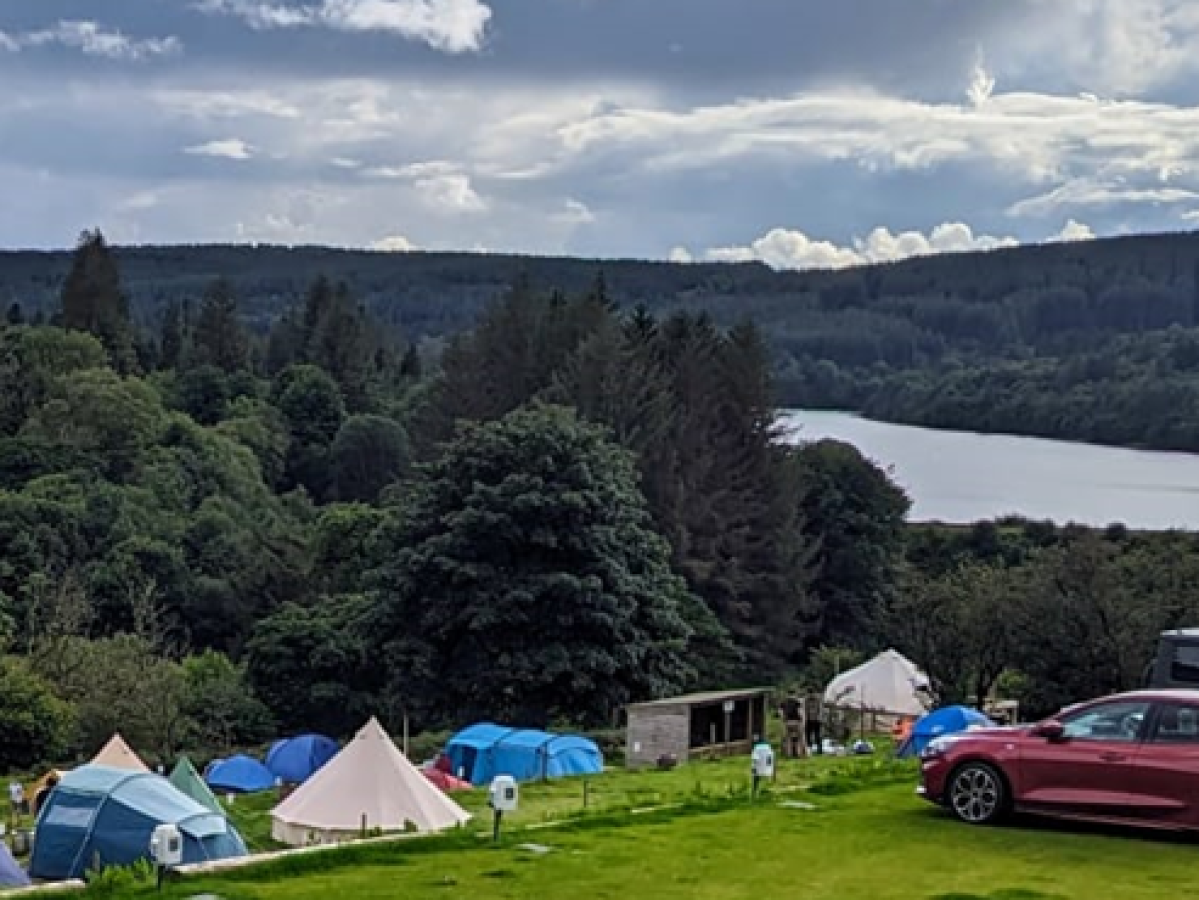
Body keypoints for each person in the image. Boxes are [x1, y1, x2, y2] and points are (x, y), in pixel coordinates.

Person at [780, 692, 806, 758]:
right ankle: (799, 754)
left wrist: (784, 720)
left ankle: (789, 754)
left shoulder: (783, 702)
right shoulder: (797, 702)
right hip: (796, 722)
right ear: (794, 694)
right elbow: (799, 711)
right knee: (799, 738)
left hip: (787, 722)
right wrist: (803, 720)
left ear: (787, 694)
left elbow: (781, 713)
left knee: (788, 739)